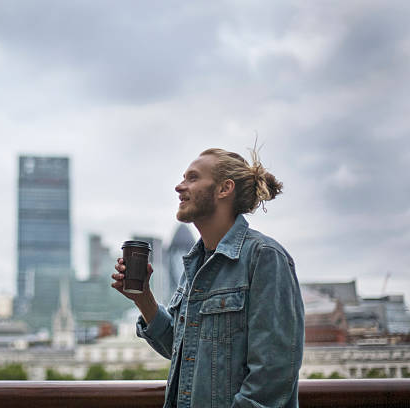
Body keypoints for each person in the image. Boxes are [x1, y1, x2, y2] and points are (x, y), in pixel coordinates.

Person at [112, 147, 305, 408]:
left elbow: (272, 377)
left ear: (224, 188)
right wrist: (143, 298)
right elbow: (185, 350)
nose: (179, 187)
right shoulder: (195, 263)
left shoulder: (264, 257)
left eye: (192, 178)